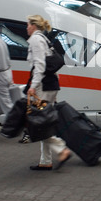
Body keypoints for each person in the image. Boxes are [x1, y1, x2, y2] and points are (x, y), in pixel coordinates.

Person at [26, 14, 71, 171]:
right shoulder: (44, 39)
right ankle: (45, 161)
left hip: (43, 87)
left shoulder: (35, 40)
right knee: (44, 122)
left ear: (34, 26)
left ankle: (61, 149)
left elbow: (39, 65)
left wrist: (33, 86)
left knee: (41, 124)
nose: (26, 28)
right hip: (50, 85)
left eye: (28, 25)